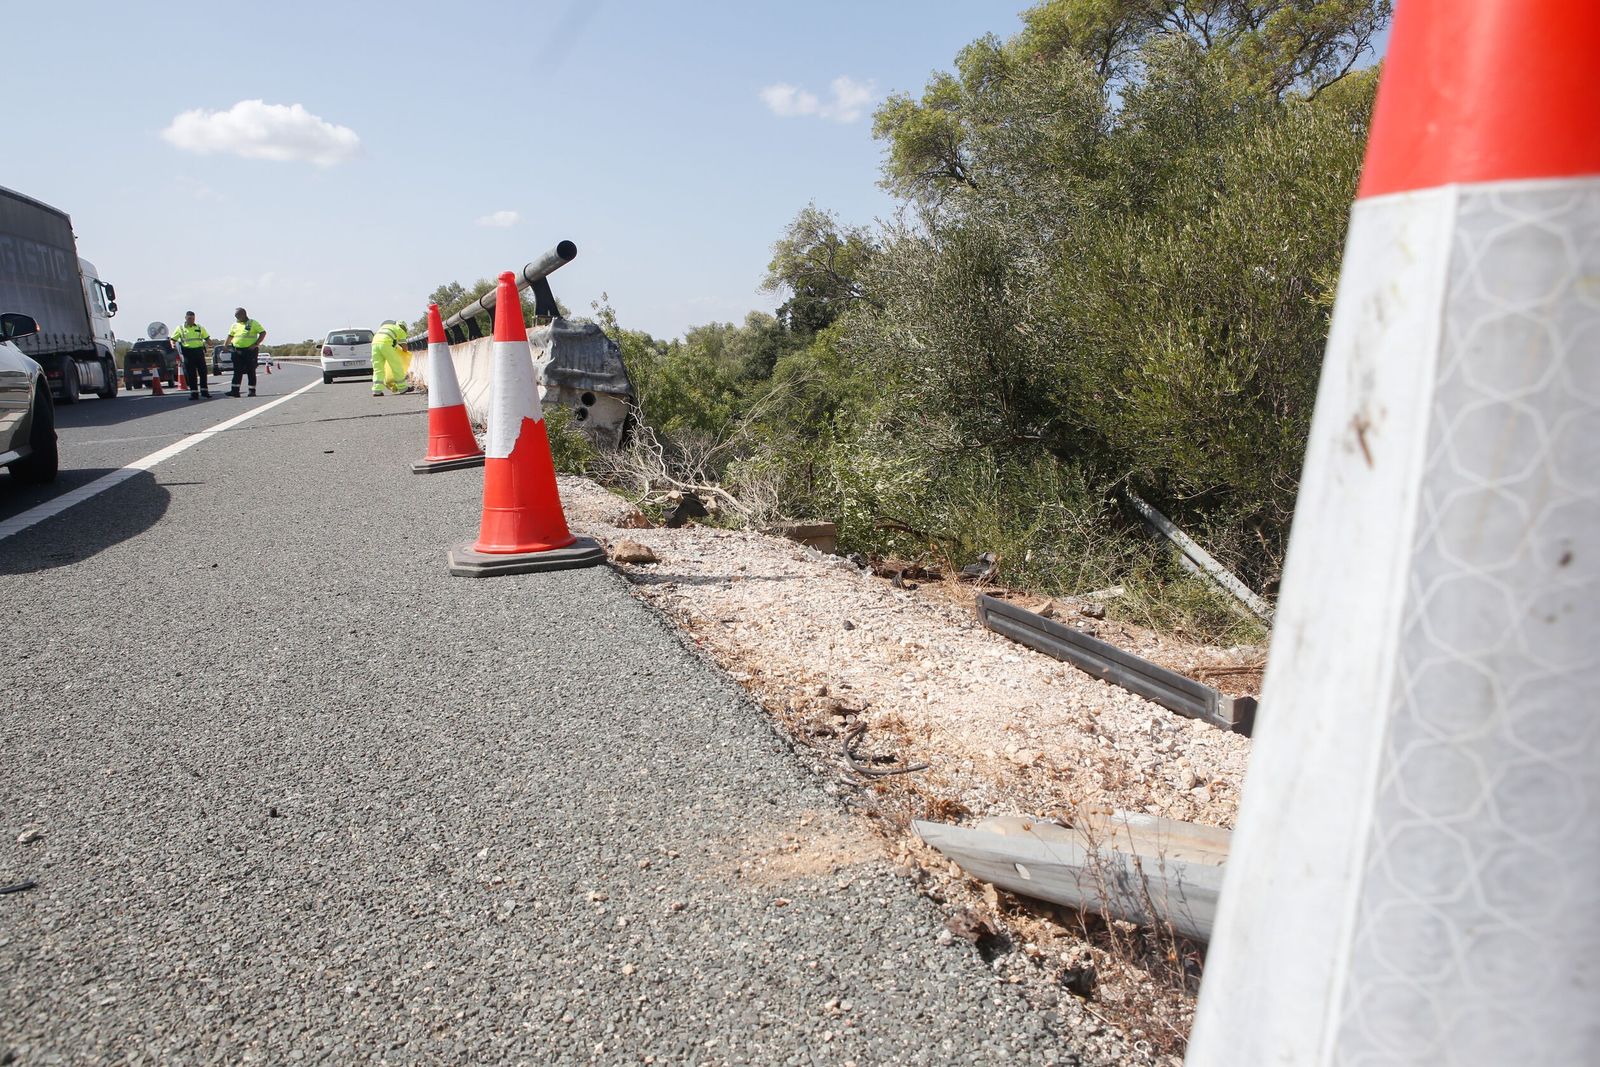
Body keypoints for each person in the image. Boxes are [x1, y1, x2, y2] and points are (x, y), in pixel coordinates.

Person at [225, 307, 267, 397]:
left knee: (250, 370)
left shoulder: (252, 323)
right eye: (235, 316)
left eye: (238, 316)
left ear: (243, 314)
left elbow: (263, 333)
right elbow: (230, 336)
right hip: (237, 351)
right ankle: (235, 391)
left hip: (249, 351)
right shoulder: (235, 325)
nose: (236, 318)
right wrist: (225, 346)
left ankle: (252, 391)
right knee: (237, 371)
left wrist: (256, 344)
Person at [173, 311, 211, 400]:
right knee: (191, 374)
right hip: (188, 353)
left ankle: (204, 391)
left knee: (203, 372)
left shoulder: (199, 327)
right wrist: (173, 344)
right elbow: (173, 339)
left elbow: (207, 338)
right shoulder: (180, 328)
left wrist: (210, 343)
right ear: (185, 318)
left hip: (199, 352)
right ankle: (194, 393)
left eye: (193, 318)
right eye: (190, 318)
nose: (191, 320)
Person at [370, 318, 413, 397]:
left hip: (374, 345)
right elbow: (405, 347)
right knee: (396, 366)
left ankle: (377, 390)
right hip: (385, 345)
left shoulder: (386, 327)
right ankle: (402, 388)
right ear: (404, 327)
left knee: (378, 369)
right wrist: (404, 352)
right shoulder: (400, 330)